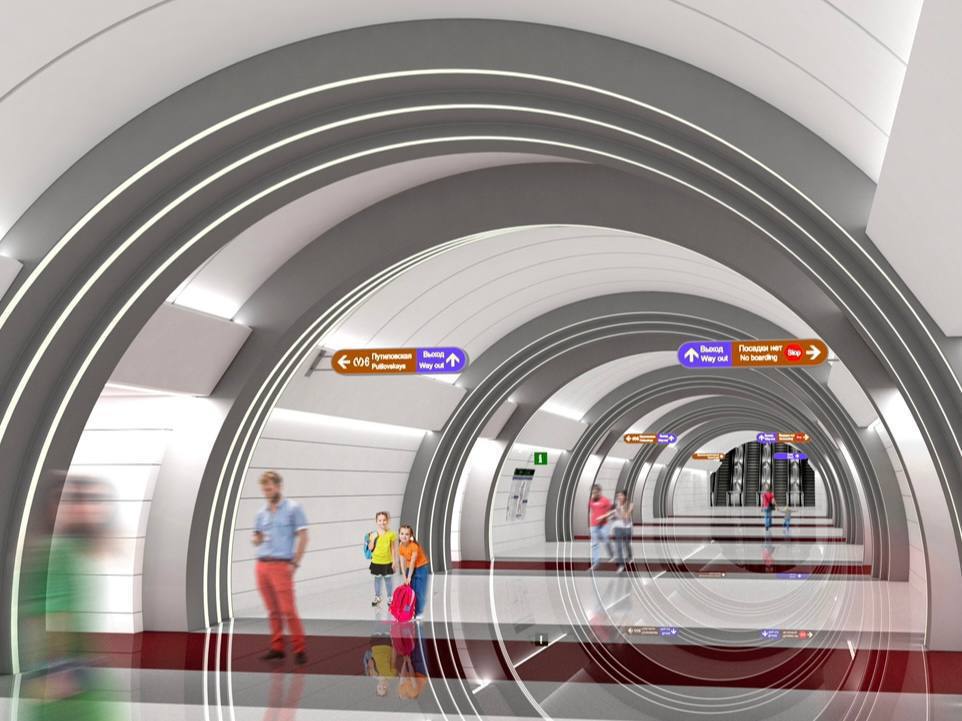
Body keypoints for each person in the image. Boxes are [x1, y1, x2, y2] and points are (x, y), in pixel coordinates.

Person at [252, 471, 308, 664]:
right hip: (261, 565)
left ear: (278, 486)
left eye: (269, 488)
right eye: (264, 489)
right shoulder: (261, 513)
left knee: (288, 610)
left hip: (281, 566)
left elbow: (304, 537)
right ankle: (277, 648)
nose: (267, 492)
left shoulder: (293, 508)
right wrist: (256, 539)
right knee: (272, 610)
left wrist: (295, 563)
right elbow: (256, 538)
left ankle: (299, 650)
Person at [397, 524, 430, 620]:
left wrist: (409, 577)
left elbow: (412, 563)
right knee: (409, 592)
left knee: (419, 592)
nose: (404, 536)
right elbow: (402, 563)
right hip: (409, 569)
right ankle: (408, 612)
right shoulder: (401, 546)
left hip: (421, 568)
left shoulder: (414, 546)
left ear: (411, 535)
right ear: (399, 534)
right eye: (402, 533)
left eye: (407, 534)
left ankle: (419, 613)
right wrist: (404, 577)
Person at [367, 511, 399, 608]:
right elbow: (370, 548)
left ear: (388, 520)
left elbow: (393, 549)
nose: (382, 522)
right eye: (380, 520)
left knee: (388, 580)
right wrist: (373, 539)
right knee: (377, 579)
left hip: (387, 562)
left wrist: (394, 561)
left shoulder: (391, 534)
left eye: (384, 520)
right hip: (376, 561)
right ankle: (377, 597)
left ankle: (390, 598)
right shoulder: (373, 534)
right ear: (376, 521)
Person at [588, 484, 613, 570]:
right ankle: (595, 562)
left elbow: (610, 512)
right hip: (593, 525)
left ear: (599, 492)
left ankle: (611, 554)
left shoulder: (606, 501)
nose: (594, 494)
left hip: (604, 525)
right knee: (594, 544)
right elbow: (593, 511)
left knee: (606, 539)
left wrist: (603, 517)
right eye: (592, 492)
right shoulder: (591, 501)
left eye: (595, 492)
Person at [611, 490, 634, 573]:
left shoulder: (630, 505)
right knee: (618, 546)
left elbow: (626, 516)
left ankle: (630, 556)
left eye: (621, 495)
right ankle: (621, 565)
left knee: (627, 544)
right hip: (618, 528)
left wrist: (620, 509)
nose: (619, 497)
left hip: (627, 528)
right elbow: (613, 516)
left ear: (625, 496)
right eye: (618, 496)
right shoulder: (615, 505)